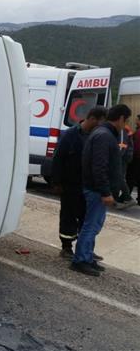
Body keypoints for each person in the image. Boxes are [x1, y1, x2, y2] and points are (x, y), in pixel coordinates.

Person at [73, 104, 132, 276]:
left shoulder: (102, 134)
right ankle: (81, 260)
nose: (125, 124)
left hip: (97, 190)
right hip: (97, 191)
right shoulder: (104, 136)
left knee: (94, 225)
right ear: (120, 118)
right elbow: (99, 167)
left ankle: (87, 257)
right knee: (91, 226)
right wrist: (106, 192)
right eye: (125, 120)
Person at [52, 106, 107, 259]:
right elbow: (58, 159)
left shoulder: (96, 136)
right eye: (99, 123)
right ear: (92, 119)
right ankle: (66, 247)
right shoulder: (70, 135)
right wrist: (56, 182)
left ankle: (85, 248)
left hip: (88, 186)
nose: (100, 127)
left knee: (87, 218)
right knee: (68, 216)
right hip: (70, 184)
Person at [114, 124, 135, 208]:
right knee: (117, 178)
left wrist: (116, 156)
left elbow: (123, 145)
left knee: (118, 177)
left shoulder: (122, 129)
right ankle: (115, 199)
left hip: (122, 157)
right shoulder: (122, 128)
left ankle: (128, 198)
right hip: (123, 156)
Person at [127, 115, 140, 204]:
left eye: (137, 120)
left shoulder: (138, 132)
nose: (136, 122)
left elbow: (136, 146)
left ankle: (126, 196)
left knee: (130, 178)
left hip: (136, 159)